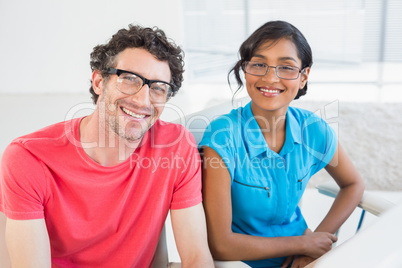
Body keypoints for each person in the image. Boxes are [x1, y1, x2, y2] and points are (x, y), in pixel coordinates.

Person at [0, 24, 214, 267]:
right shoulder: (28, 158)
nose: (142, 100)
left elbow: (197, 258)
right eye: (129, 80)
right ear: (99, 82)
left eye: (157, 88)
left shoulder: (177, 147)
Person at [199, 20, 365, 268]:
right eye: (259, 64)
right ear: (245, 70)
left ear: (303, 77)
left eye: (286, 67)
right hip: (243, 262)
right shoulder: (223, 136)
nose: (270, 77)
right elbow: (219, 245)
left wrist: (315, 246)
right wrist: (302, 245)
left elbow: (353, 184)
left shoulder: (313, 129)